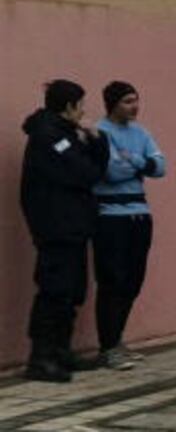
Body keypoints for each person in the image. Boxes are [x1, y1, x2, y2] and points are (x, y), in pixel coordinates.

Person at [20, 80, 109, 382]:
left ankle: (61, 351)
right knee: (54, 290)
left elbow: (91, 170)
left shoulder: (63, 134)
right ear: (69, 107)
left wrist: (95, 142)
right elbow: (85, 173)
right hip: (57, 226)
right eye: (81, 105)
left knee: (71, 291)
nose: (84, 112)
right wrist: (96, 141)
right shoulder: (51, 137)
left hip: (72, 225)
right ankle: (41, 357)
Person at [91, 81, 167, 371]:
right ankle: (107, 346)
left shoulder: (141, 133)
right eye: (127, 101)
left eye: (136, 100)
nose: (134, 106)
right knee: (112, 281)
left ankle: (117, 339)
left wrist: (134, 159)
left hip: (140, 214)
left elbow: (160, 167)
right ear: (112, 104)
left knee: (133, 281)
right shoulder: (100, 133)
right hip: (110, 217)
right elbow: (111, 171)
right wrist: (141, 164)